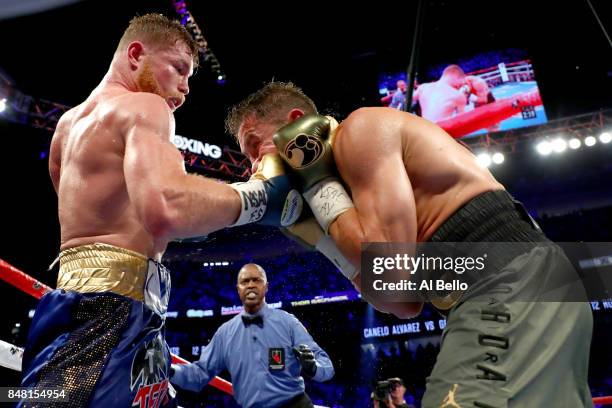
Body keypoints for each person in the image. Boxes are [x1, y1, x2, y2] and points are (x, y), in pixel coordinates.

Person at [224, 82, 593, 407]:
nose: (255, 165)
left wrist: (317, 185)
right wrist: (321, 233)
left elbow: (392, 269)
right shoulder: (345, 198)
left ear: (296, 121)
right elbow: (400, 301)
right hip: (518, 288)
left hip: (509, 281)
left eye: (256, 146)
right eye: (248, 157)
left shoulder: (363, 129)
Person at [19, 15, 301, 407]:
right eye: (179, 69)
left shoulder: (65, 129)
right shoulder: (145, 106)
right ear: (136, 55)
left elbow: (129, 223)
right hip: (109, 315)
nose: (185, 89)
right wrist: (260, 198)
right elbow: (166, 208)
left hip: (97, 307)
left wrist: (202, 212)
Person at [170, 263, 334, 408]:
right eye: (245, 281)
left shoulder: (288, 322)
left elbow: (327, 366)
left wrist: (313, 368)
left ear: (266, 286)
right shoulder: (225, 333)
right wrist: (168, 370)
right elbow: (199, 375)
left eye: (256, 280)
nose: (251, 285)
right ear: (238, 289)